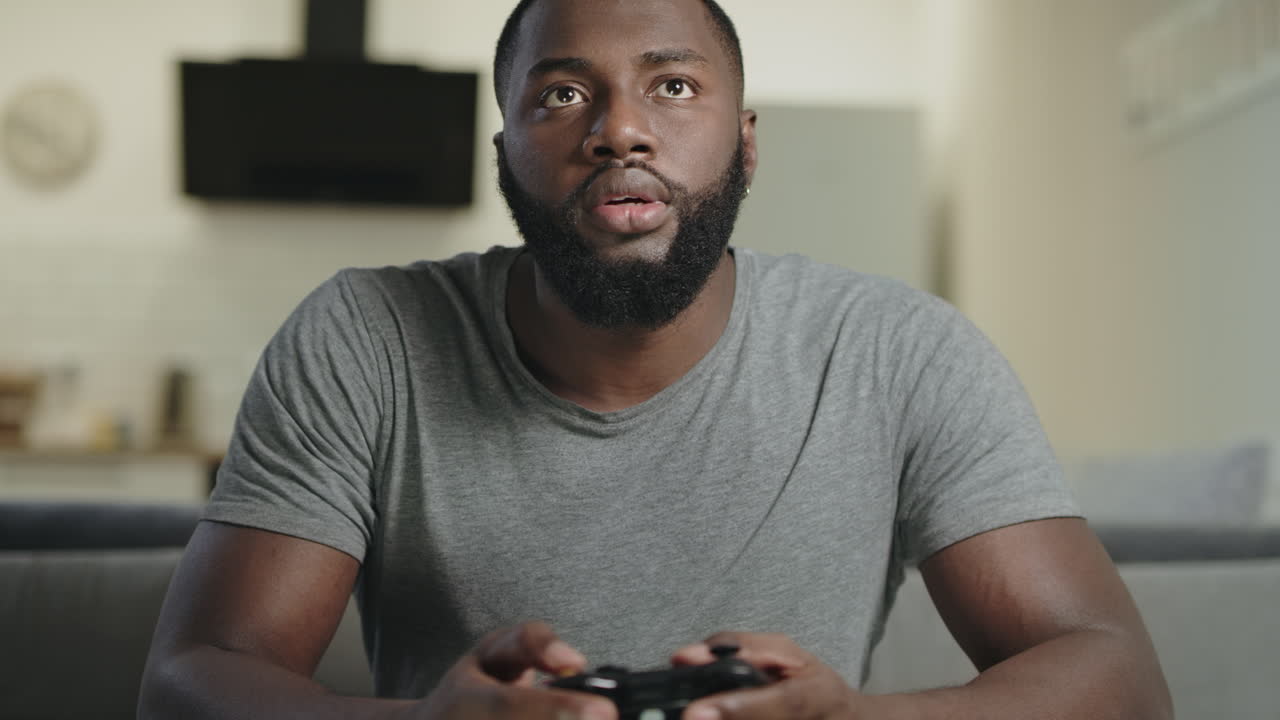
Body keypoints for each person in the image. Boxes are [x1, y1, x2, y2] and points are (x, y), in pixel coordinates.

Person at [138, 0, 1174, 718]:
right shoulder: (364, 338)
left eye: (672, 85)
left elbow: (1119, 680)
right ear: (503, 157)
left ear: (746, 143)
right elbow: (191, 679)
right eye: (560, 96)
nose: (620, 130)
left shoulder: (901, 353)